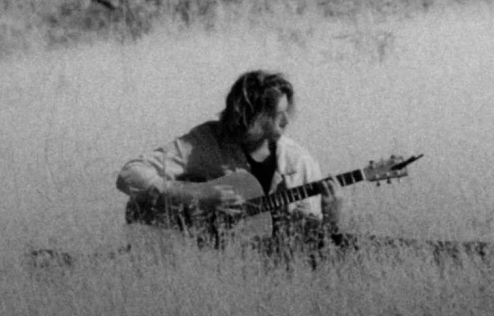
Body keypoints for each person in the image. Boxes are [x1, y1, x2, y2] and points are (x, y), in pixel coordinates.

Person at [115, 68, 343, 244]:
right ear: (251, 115)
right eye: (277, 114)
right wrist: (198, 194)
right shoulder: (205, 142)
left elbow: (312, 243)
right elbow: (130, 174)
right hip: (204, 261)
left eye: (286, 112)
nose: (286, 121)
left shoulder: (300, 162)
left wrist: (332, 216)